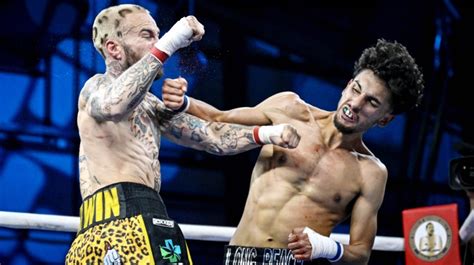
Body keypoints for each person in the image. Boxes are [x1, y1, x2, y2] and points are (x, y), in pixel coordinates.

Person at [65, 4, 300, 264]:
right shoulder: (95, 88)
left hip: (130, 221)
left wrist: (266, 134)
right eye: (147, 35)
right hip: (118, 224)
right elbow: (114, 104)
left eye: (159, 34)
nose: (158, 42)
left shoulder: (151, 105)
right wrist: (171, 40)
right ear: (114, 48)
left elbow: (212, 136)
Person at [162, 39, 424, 264]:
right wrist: (183, 101)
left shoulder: (370, 172)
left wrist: (325, 248)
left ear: (385, 119)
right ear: (347, 85)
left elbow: (361, 253)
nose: (355, 104)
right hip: (239, 254)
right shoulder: (290, 108)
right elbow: (221, 118)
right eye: (356, 89)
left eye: (372, 102)